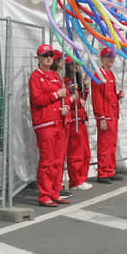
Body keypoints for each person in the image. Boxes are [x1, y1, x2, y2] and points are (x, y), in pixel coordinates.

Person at [29, 45, 68, 207]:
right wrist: (56, 95)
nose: (48, 58)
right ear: (38, 58)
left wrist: (65, 107)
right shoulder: (35, 77)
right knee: (47, 160)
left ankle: (54, 191)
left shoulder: (55, 76)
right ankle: (45, 195)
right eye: (45, 55)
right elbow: (37, 99)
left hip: (58, 121)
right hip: (45, 123)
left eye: (50, 55)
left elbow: (62, 98)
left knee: (58, 160)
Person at [91, 48, 123, 183]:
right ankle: (103, 172)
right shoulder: (98, 75)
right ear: (102, 58)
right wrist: (101, 117)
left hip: (113, 115)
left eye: (113, 57)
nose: (111, 60)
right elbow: (97, 99)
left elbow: (110, 97)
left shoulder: (111, 75)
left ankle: (110, 169)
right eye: (108, 57)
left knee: (112, 145)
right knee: (104, 145)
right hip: (105, 116)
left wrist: (118, 97)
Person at [63, 57, 92, 191]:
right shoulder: (68, 81)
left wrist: (86, 88)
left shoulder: (78, 81)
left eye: (78, 65)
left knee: (85, 150)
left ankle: (82, 177)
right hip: (74, 119)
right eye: (72, 65)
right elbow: (75, 101)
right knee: (76, 151)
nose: (76, 68)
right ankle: (76, 179)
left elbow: (83, 100)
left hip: (81, 118)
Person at [51, 50, 74, 200]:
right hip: (54, 121)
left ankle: (57, 185)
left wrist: (68, 102)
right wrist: (70, 99)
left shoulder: (57, 78)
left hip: (63, 120)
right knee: (54, 158)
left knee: (60, 156)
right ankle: (54, 187)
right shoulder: (53, 78)